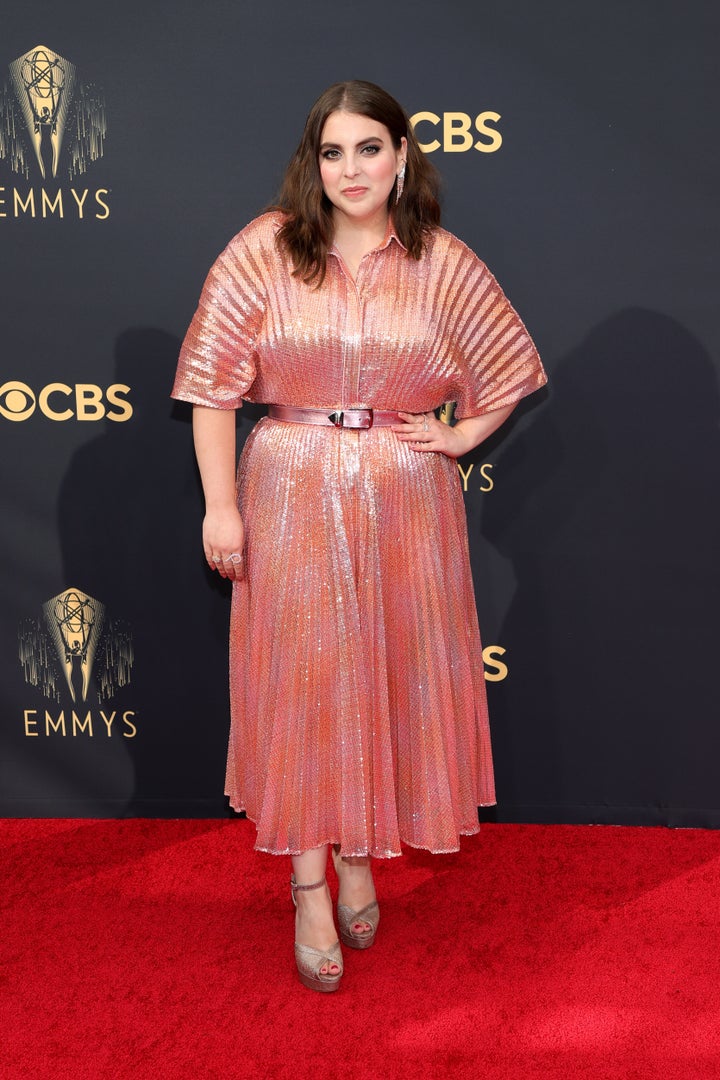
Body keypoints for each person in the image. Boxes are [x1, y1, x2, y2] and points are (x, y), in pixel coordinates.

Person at [172, 80, 546, 992]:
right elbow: (212, 390)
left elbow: (508, 363)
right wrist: (221, 507)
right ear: (314, 162)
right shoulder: (263, 251)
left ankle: (357, 856)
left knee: (383, 677)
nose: (351, 170)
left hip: (405, 501)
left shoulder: (444, 262)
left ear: (402, 155)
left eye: (369, 149)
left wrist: (458, 434)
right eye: (333, 152)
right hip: (290, 486)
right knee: (303, 685)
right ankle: (309, 880)